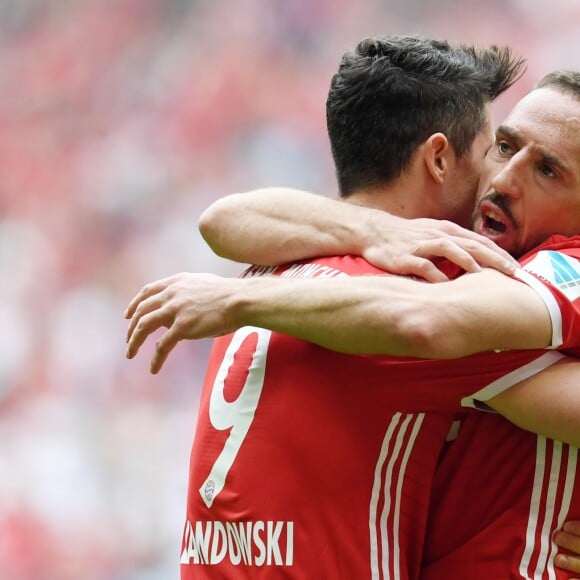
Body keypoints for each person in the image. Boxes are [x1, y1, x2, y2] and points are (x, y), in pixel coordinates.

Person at [125, 63, 580, 579]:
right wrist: (372, 230)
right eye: (500, 147)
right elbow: (221, 219)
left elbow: (223, 221)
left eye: (548, 170)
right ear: (435, 158)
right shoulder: (427, 286)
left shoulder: (279, 264)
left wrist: (241, 295)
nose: (500, 179)